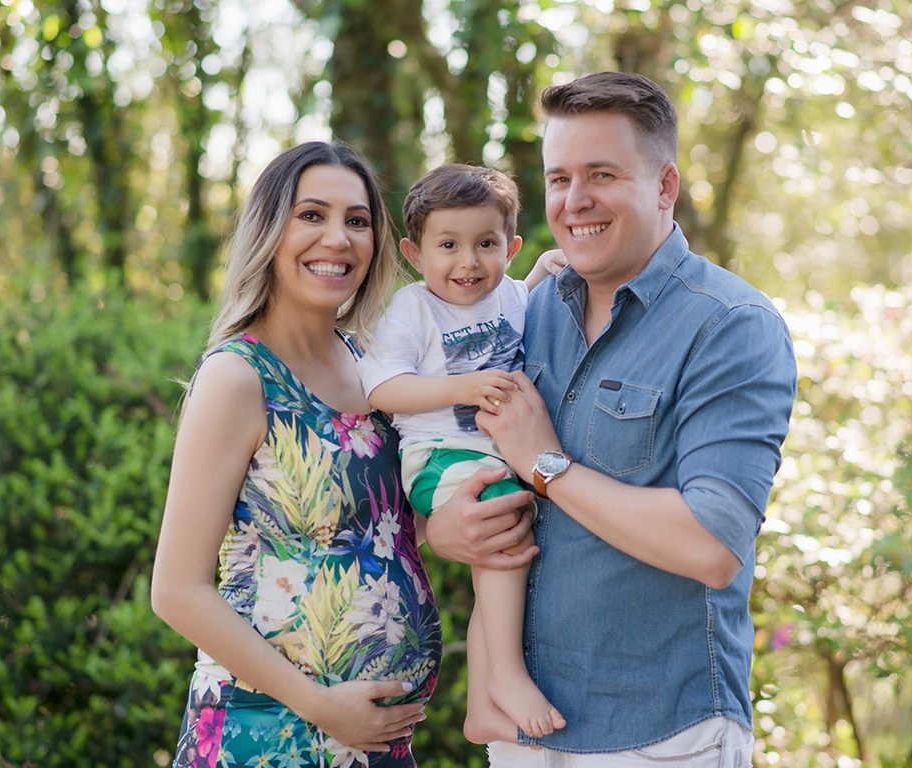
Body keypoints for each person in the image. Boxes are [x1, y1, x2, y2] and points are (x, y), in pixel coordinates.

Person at [426, 72, 798, 766]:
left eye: (602, 174)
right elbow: (446, 455)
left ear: (665, 187)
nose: (576, 201)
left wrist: (547, 465)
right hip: (523, 732)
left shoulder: (730, 327)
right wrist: (445, 530)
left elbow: (712, 546)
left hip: (661, 735)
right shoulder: (524, 313)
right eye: (559, 177)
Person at [151, 141, 444, 768]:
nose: (337, 238)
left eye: (357, 220)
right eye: (311, 215)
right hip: (266, 734)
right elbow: (177, 590)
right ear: (269, 230)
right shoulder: (238, 377)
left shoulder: (377, 371)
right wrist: (319, 705)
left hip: (375, 743)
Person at [354, 164, 567, 741]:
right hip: (440, 455)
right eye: (448, 245)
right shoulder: (413, 309)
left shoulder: (512, 298)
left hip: (497, 456)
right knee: (504, 534)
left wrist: (546, 269)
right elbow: (383, 388)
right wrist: (462, 389)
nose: (468, 262)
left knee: (496, 561)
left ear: (511, 247)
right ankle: (508, 676)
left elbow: (532, 290)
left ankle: (482, 705)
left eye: (486, 244)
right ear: (415, 252)